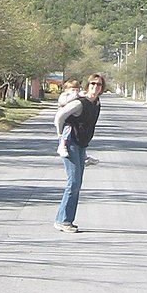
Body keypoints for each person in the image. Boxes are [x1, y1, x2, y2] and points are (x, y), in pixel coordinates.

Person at [53, 74, 105, 233]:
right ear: (87, 85)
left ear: (102, 88)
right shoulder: (79, 103)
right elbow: (59, 117)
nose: (95, 87)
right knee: (73, 183)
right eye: (92, 84)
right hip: (71, 144)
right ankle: (63, 220)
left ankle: (65, 219)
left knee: (77, 183)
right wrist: (60, 137)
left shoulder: (96, 103)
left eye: (99, 85)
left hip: (81, 146)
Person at [54, 79, 80, 157]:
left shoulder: (76, 96)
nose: (75, 91)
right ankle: (62, 145)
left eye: (77, 90)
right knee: (66, 131)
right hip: (63, 120)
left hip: (72, 119)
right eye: (73, 89)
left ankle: (84, 156)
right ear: (66, 90)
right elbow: (63, 102)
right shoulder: (64, 96)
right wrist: (76, 95)